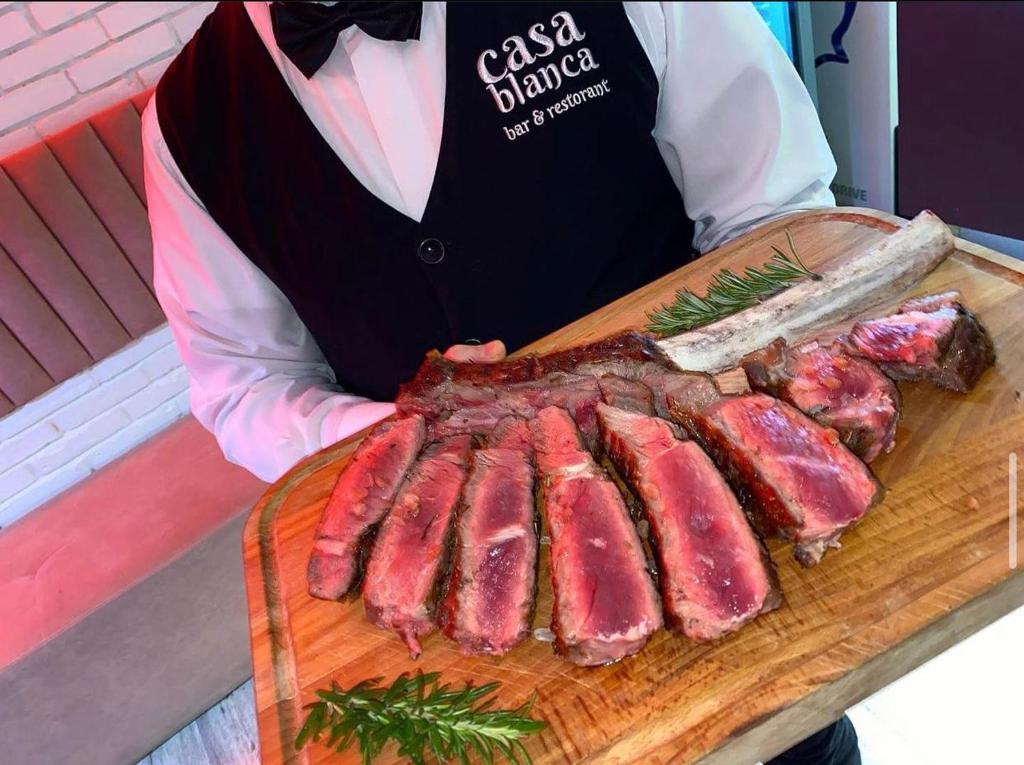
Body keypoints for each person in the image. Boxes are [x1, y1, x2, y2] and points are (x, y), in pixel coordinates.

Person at [143, 3, 857, 763]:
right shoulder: (188, 122)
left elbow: (773, 213)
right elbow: (243, 381)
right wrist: (404, 437)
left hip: (713, 537)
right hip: (476, 651)